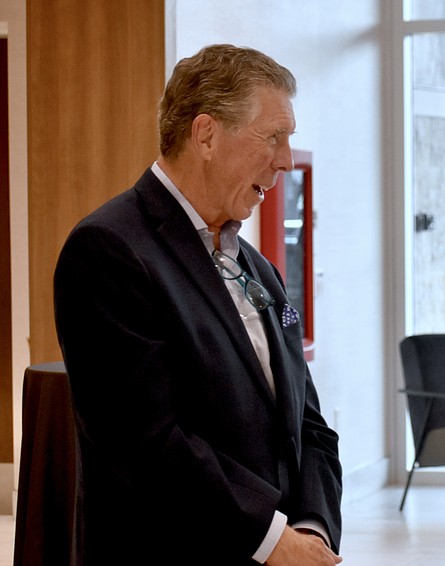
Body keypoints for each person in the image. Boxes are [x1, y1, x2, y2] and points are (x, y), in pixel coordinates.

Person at [54, 44, 343, 566]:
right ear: (206, 134)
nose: (284, 159)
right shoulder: (108, 250)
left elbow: (307, 422)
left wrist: (312, 527)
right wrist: (273, 539)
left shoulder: (260, 269)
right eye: (273, 137)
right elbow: (145, 441)